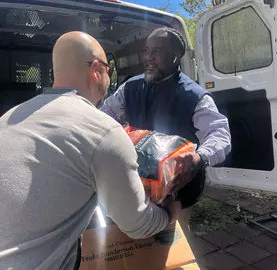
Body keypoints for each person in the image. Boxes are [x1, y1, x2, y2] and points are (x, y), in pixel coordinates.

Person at [0, 31, 181, 270]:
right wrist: (170, 211)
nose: (109, 76)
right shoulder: (103, 131)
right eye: (108, 69)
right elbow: (137, 224)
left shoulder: (8, 118)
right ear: (96, 69)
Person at [101, 27, 231, 235]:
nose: (148, 58)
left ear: (175, 57)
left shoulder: (194, 96)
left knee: (173, 244)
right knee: (133, 243)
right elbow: (104, 117)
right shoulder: (130, 87)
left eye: (157, 52)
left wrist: (198, 158)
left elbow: (220, 135)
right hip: (136, 187)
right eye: (146, 51)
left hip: (177, 193)